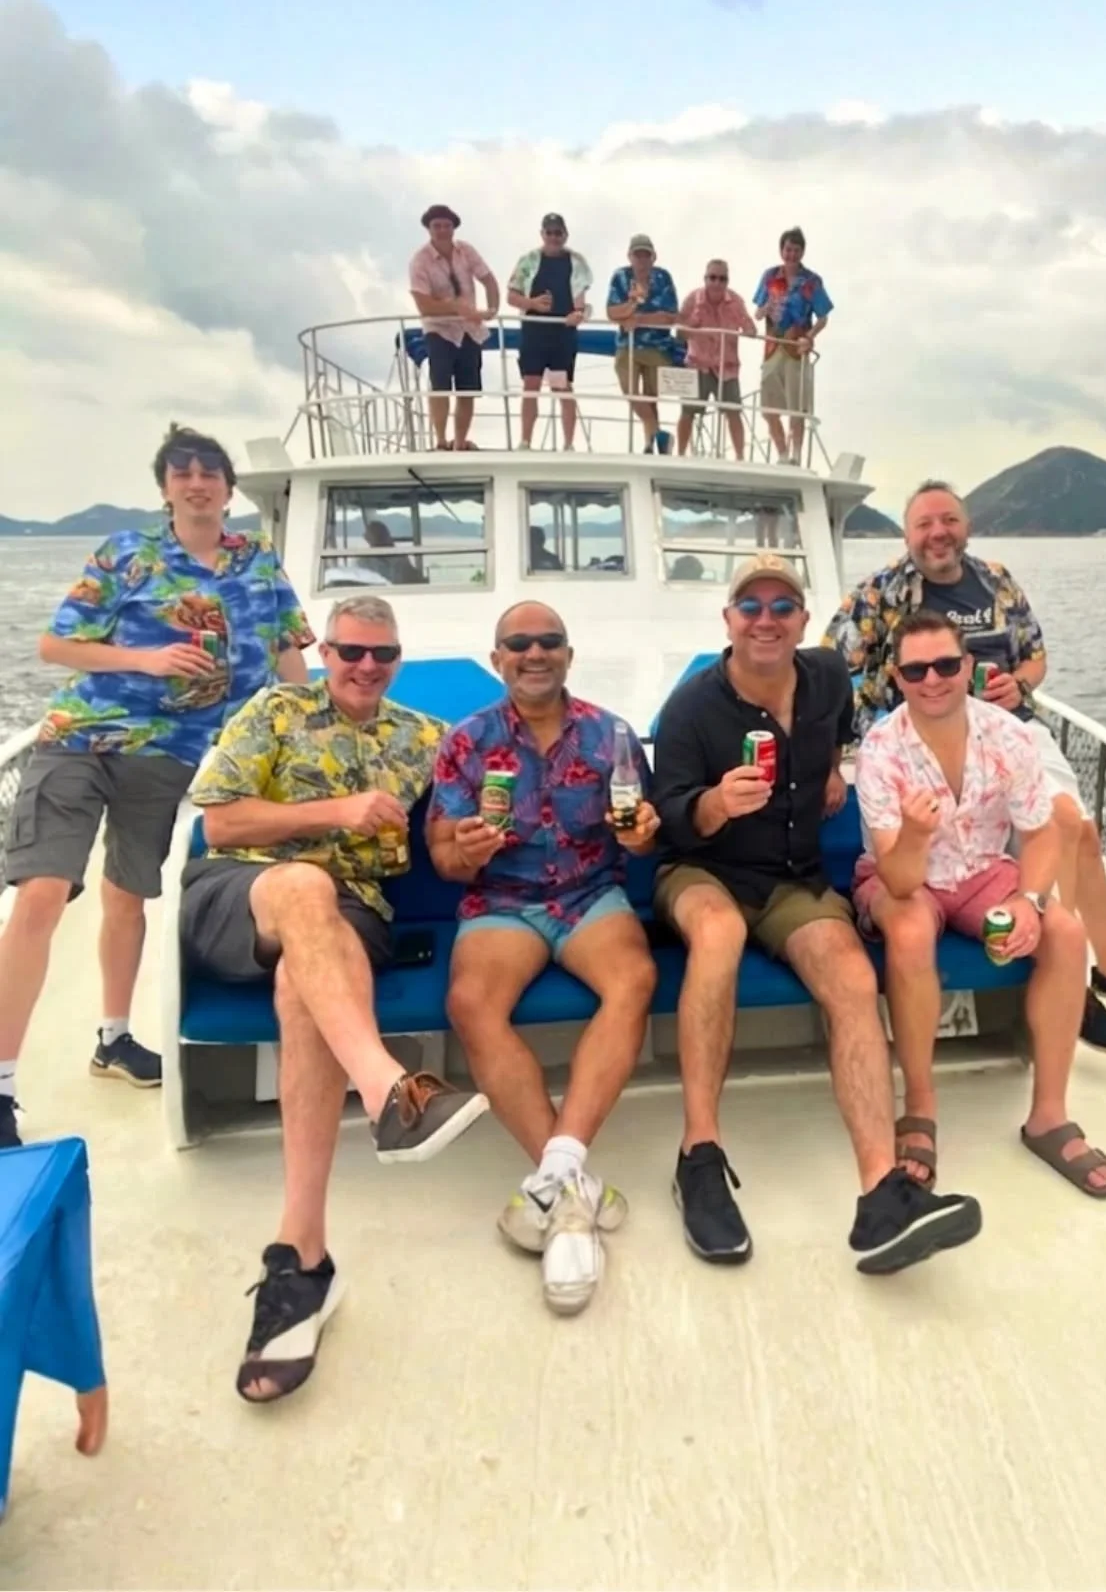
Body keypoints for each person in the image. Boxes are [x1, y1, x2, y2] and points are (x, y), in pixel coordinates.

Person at [181, 593, 485, 1401]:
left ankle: (301, 1258)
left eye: (382, 654)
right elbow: (219, 824)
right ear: (326, 653)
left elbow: (485, 781)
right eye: (351, 651)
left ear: (398, 660)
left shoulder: (423, 736)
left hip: (353, 916)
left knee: (301, 982)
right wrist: (337, 811)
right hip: (241, 892)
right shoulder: (275, 709)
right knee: (304, 885)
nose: (366, 666)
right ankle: (389, 1088)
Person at [651, 552, 982, 1274]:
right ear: (729, 620)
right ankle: (698, 1156)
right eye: (751, 607)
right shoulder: (691, 709)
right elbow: (666, 822)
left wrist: (831, 767)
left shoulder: (828, 675)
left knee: (854, 980)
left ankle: (882, 1195)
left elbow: (837, 727)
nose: (765, 620)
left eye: (782, 607)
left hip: (793, 878)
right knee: (719, 933)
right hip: (704, 870)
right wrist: (715, 803)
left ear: (803, 620)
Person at [0, 426, 313, 1150]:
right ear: (166, 488)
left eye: (210, 472)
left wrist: (304, 728)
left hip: (171, 755)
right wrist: (146, 659)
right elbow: (56, 645)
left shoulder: (256, 557)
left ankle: (113, 1038)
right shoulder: (127, 553)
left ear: (228, 489)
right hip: (84, 738)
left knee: (128, 895)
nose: (197, 482)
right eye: (183, 472)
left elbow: (288, 648)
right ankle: (2, 1082)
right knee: (43, 893)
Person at [825, 478, 1106, 1054]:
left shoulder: (996, 581)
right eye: (924, 524)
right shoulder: (882, 593)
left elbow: (1035, 657)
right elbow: (830, 663)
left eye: (949, 520)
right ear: (906, 534)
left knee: (1080, 829)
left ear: (966, 526)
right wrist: (834, 751)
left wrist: (1017, 685)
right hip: (921, 736)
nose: (938, 533)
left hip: (1009, 728)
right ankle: (1074, 983)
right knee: (1055, 828)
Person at [428, 601, 660, 1316]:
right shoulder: (467, 741)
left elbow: (642, 833)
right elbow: (442, 859)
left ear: (568, 654)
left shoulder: (611, 734)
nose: (535, 653)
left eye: (549, 641)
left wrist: (642, 836)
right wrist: (465, 852)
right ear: (497, 658)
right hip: (502, 900)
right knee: (470, 1002)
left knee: (634, 978)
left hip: (589, 895)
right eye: (519, 643)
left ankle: (553, 1178)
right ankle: (569, 1192)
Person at [855, 611, 1106, 1198]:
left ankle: (1048, 1115)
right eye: (916, 670)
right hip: (903, 876)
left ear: (968, 666)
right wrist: (916, 835)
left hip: (982, 870)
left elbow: (1041, 834)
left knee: (1066, 934)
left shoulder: (1008, 735)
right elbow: (898, 879)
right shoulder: (881, 750)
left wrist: (1029, 899)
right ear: (897, 677)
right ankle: (920, 1108)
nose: (932, 679)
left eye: (946, 665)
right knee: (910, 930)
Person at [407, 204, 500, 452]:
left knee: (467, 388)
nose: (442, 230)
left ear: (453, 228)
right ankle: (440, 441)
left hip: (469, 329)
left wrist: (492, 309)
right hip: (439, 329)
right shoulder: (420, 260)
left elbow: (488, 279)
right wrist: (455, 308)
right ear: (428, 228)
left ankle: (459, 442)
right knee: (440, 385)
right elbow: (424, 306)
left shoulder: (466, 250)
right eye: (436, 226)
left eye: (447, 225)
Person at [507, 214, 593, 451]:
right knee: (531, 384)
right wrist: (532, 303)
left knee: (562, 386)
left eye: (558, 233)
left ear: (565, 235)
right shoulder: (528, 260)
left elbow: (580, 302)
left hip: (562, 332)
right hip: (533, 331)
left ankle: (568, 444)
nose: (554, 237)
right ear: (542, 234)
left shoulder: (576, 262)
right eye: (550, 232)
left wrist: (578, 314)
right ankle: (525, 441)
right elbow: (511, 296)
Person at [753, 227, 832, 464]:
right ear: (781, 250)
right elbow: (758, 313)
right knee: (768, 407)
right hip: (772, 346)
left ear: (802, 252)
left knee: (796, 406)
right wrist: (764, 310)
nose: (791, 254)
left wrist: (810, 336)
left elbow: (823, 317)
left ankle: (796, 453)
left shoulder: (812, 281)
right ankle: (782, 453)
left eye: (796, 250)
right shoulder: (769, 276)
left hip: (796, 349)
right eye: (788, 249)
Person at [605, 234, 679, 454]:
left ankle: (650, 443)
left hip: (658, 346)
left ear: (653, 257)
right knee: (630, 392)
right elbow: (612, 312)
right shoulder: (620, 277)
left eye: (646, 255)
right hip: (627, 345)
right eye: (638, 255)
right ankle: (659, 434)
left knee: (650, 398)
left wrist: (637, 319)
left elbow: (671, 316)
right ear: (630, 256)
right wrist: (632, 304)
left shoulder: (663, 277)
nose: (642, 259)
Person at [675, 259, 755, 460]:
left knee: (734, 411)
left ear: (727, 281)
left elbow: (750, 328)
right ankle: (680, 455)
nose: (717, 283)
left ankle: (740, 458)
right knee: (687, 411)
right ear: (705, 279)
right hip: (697, 364)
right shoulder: (692, 300)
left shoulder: (736, 302)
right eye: (712, 278)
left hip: (727, 367)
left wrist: (749, 329)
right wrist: (691, 324)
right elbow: (679, 334)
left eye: (722, 279)